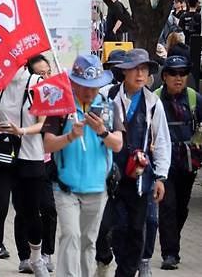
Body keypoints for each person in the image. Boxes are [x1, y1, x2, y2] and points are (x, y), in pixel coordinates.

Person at [42, 54, 124, 277]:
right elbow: (47, 144)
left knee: (88, 242)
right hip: (65, 188)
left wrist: (102, 132)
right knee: (70, 235)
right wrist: (69, 136)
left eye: (95, 86)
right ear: (74, 83)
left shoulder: (108, 108)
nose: (90, 91)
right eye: (84, 86)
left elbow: (118, 144)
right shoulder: (61, 106)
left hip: (98, 189)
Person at [95, 48, 171, 277]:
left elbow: (163, 141)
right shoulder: (106, 95)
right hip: (107, 175)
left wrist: (160, 177)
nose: (140, 74)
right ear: (124, 71)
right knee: (105, 226)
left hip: (139, 177)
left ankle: (126, 273)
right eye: (135, 69)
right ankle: (104, 258)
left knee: (137, 230)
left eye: (144, 69)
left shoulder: (153, 103)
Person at [0, 63, 49, 277]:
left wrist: (20, 130)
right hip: (3, 153)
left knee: (31, 211)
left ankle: (37, 258)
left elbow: (43, 123)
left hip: (31, 155)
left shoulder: (37, 84)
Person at [153, 55, 202, 270]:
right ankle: (169, 253)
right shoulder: (154, 99)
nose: (178, 78)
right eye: (173, 73)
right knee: (168, 207)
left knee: (181, 208)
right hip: (163, 162)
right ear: (164, 76)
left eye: (183, 73)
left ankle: (174, 243)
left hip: (188, 162)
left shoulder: (194, 99)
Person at [13, 55, 57, 273]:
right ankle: (24, 256)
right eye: (41, 74)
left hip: (47, 162)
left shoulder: (54, 97)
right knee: (24, 209)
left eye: (48, 73)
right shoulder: (25, 97)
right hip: (24, 159)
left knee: (48, 207)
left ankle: (47, 253)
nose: (46, 78)